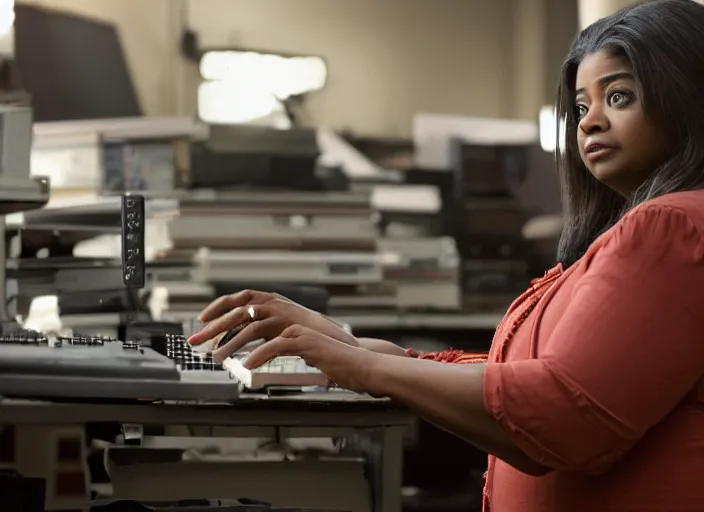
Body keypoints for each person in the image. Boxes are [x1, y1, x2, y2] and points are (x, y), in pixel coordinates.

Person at [187, 1, 704, 510]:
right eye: (583, 107)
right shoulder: (663, 225)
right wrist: (350, 347)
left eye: (619, 96)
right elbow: (525, 373)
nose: (589, 123)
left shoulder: (671, 226)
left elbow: (562, 415)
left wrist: (366, 370)